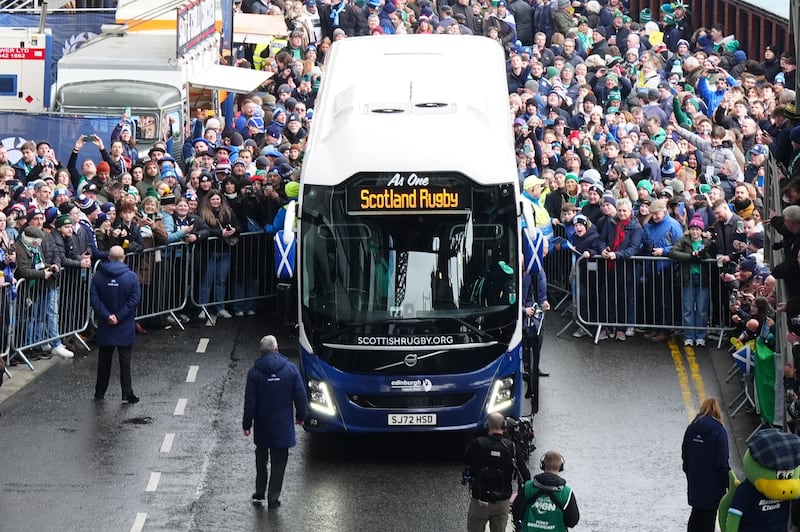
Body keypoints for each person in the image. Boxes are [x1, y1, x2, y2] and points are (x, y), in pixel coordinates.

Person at [243, 335, 308, 509]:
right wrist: (301, 417)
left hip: (263, 426)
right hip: (282, 427)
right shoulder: (291, 370)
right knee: (279, 462)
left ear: (261, 351)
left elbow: (250, 403)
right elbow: (300, 398)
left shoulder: (254, 373)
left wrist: (247, 425)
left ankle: (259, 491)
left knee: (261, 457)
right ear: (277, 348)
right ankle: (273, 497)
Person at [463, 412, 531, 532]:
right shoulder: (512, 447)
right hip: (502, 501)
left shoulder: (477, 444)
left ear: (486, 426)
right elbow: (525, 475)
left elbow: (467, 461)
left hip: (480, 500)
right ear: (504, 426)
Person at [90, 245, 141, 403]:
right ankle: (127, 392)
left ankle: (100, 392)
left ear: (109, 257)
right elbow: (134, 299)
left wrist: (107, 316)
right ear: (123, 257)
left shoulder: (98, 276)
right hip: (124, 323)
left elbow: (94, 299)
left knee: (104, 360)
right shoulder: (131, 276)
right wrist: (119, 316)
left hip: (106, 324)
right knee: (125, 360)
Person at [681, 397, 730, 532]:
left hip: (695, 480)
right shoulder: (719, 431)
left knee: (696, 514)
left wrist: (690, 473)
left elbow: (685, 455)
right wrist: (728, 482)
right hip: (713, 485)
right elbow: (722, 462)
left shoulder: (691, 428)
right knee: (709, 519)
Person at [512, 449, 579, 531]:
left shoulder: (528, 487)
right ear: (560, 467)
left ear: (543, 465)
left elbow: (516, 513)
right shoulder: (566, 493)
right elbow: (572, 521)